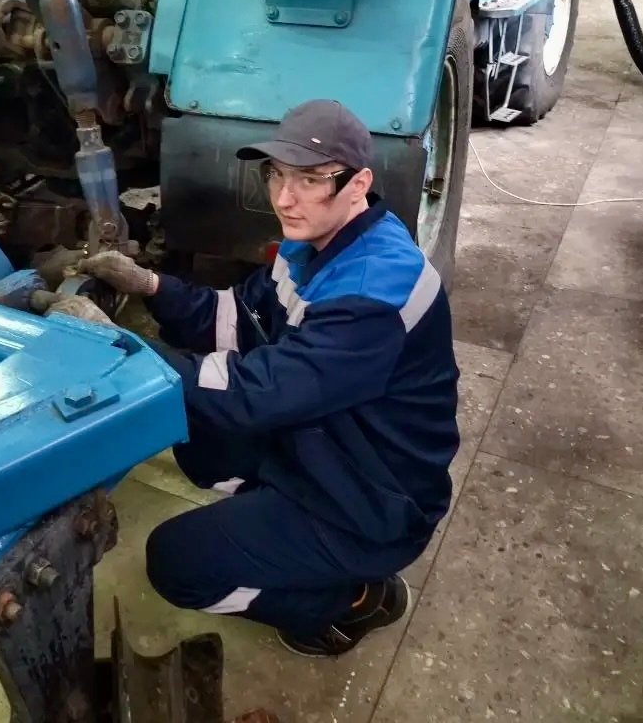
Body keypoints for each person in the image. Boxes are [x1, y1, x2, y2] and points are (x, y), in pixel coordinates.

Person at [52, 99, 460, 657]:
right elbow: (238, 319)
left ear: (359, 184)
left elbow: (252, 393)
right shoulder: (316, 242)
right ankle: (276, 518)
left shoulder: (373, 292)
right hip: (330, 442)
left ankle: (353, 600)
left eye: (311, 180)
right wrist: (151, 286)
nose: (285, 198)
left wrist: (117, 349)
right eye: (277, 175)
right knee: (198, 432)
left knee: (175, 562)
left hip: (371, 502)